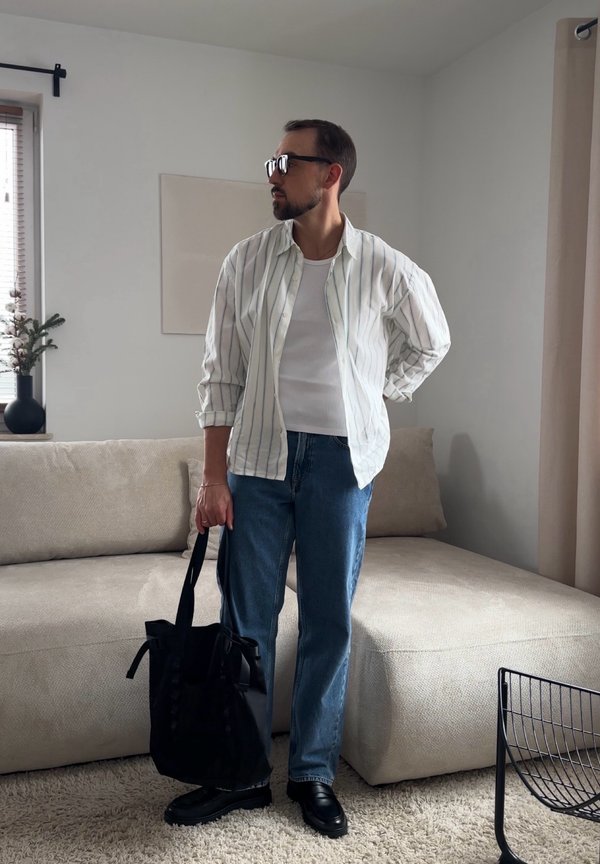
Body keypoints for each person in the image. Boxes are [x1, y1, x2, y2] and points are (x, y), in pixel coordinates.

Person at [164, 119, 450, 837]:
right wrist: (213, 478)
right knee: (246, 622)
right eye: (273, 159)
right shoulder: (246, 262)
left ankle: (313, 774)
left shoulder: (384, 266)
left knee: (327, 622)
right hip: (257, 463)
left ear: (330, 175)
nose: (272, 172)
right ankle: (241, 772)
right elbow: (219, 376)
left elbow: (433, 340)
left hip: (342, 464)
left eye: (286, 161)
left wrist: (376, 388)